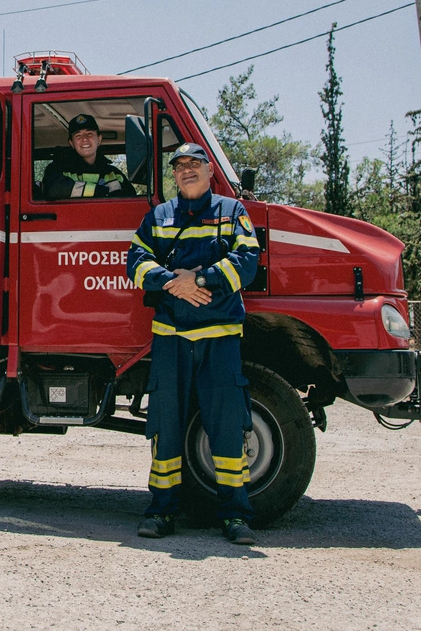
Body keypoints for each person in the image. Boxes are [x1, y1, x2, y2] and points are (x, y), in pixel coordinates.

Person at [126, 142, 261, 544]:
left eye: (194, 164)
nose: (187, 171)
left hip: (219, 339)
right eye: (180, 166)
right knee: (164, 426)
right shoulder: (159, 217)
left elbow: (248, 262)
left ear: (209, 171)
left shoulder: (233, 212)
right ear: (175, 174)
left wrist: (199, 281)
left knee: (226, 427)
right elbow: (135, 259)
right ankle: (161, 511)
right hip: (170, 340)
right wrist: (172, 283)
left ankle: (235, 516)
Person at [40, 113, 137, 200]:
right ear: (72, 143)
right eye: (78, 136)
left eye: (89, 134)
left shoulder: (114, 174)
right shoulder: (57, 169)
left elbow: (131, 202)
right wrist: (102, 192)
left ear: (99, 139)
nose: (84, 139)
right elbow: (53, 189)